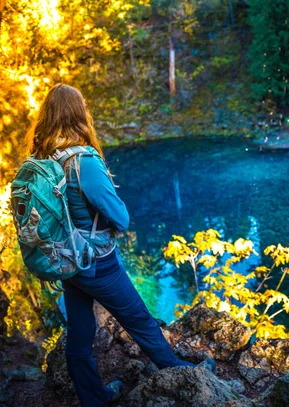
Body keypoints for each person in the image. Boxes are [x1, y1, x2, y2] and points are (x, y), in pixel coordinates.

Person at [24, 83, 195, 407]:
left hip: (68, 261)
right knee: (140, 320)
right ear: (79, 114)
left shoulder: (44, 158)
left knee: (81, 331)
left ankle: (94, 399)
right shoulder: (82, 161)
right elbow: (120, 217)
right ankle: (181, 373)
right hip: (98, 264)